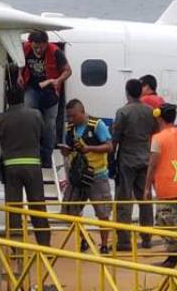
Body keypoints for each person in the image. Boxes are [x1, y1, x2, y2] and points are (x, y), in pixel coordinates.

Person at [0, 86, 51, 246]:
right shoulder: (36, 114)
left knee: (14, 209)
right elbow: (44, 137)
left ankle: (17, 249)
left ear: (7, 99)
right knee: (38, 206)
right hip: (33, 167)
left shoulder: (1, 118)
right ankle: (44, 245)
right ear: (23, 98)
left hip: (11, 168)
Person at [59, 99, 114, 253]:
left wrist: (89, 148)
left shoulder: (97, 125)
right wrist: (66, 151)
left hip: (97, 175)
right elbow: (70, 149)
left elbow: (109, 147)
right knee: (69, 211)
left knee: (103, 212)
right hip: (77, 177)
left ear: (82, 113)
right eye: (68, 117)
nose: (70, 120)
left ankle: (104, 245)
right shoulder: (69, 128)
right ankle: (84, 238)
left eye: (73, 116)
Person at [144, 103, 177, 267]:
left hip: (166, 185)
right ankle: (174, 255)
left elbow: (152, 164)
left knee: (166, 223)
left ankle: (172, 259)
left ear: (159, 117)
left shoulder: (158, 138)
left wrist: (147, 187)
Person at [112, 79, 156, 251]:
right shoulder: (150, 111)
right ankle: (146, 238)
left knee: (124, 200)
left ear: (127, 92)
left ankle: (124, 241)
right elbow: (153, 130)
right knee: (145, 199)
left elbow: (115, 137)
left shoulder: (122, 112)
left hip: (126, 160)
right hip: (145, 158)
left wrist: (111, 158)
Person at [17, 30, 71, 168]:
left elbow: (67, 70)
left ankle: (46, 156)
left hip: (50, 90)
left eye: (41, 47)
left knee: (49, 125)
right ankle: (31, 152)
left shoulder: (55, 52)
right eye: (35, 47)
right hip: (32, 88)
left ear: (46, 44)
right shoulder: (26, 48)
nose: (38, 50)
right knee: (29, 120)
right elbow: (20, 63)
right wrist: (19, 75)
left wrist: (58, 80)